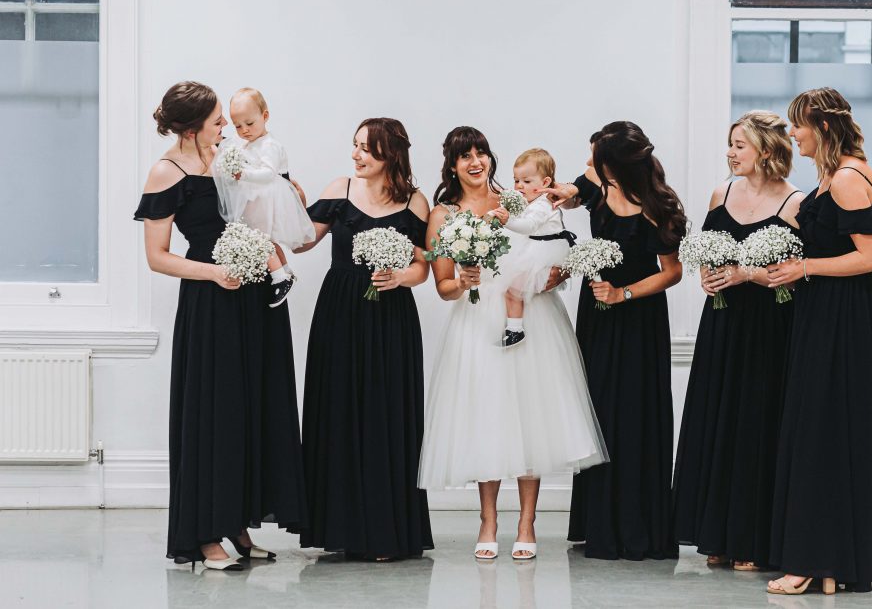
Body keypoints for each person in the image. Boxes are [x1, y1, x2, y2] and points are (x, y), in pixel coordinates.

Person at [134, 81, 306, 570]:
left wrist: (287, 195)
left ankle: (239, 524)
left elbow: (268, 213)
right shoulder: (164, 173)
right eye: (216, 121)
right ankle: (205, 534)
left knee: (255, 406)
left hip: (256, 295)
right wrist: (215, 273)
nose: (226, 127)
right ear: (191, 127)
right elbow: (157, 257)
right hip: (212, 302)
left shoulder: (233, 157)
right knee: (216, 412)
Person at [418, 126, 607, 561]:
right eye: (464, 155)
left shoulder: (516, 199)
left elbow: (550, 241)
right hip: (479, 319)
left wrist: (560, 273)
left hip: (533, 317)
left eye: (481, 151)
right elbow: (443, 286)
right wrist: (462, 282)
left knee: (530, 417)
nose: (475, 160)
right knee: (487, 417)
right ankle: (487, 520)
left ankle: (527, 522)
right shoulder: (443, 214)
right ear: (452, 164)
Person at [764, 87, 872, 595]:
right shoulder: (838, 172)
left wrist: (802, 266)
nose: (791, 133)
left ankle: (815, 559)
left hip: (841, 318)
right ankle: (830, 559)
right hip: (828, 313)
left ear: (819, 126)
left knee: (823, 431)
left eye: (796, 125)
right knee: (828, 431)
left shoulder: (845, 179)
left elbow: (871, 257)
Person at [292, 117, 433, 561]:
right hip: (340, 313)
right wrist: (291, 203)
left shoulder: (416, 201)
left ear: (390, 154)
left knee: (386, 415)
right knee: (338, 411)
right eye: (354, 145)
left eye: (366, 149)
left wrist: (399, 278)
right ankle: (339, 529)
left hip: (391, 317)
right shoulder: (339, 189)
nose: (355, 155)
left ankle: (386, 532)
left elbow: (423, 268)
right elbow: (300, 243)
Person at [543, 121, 686, 560]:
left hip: (638, 319)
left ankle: (638, 525)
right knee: (598, 410)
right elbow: (568, 191)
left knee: (635, 413)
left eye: (595, 157)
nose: (587, 163)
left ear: (617, 164)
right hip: (598, 318)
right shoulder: (596, 187)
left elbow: (672, 272)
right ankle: (598, 523)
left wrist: (623, 293)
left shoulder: (657, 206)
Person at [671, 111, 802, 571]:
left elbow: (799, 277)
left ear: (766, 151)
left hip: (769, 330)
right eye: (729, 144)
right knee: (719, 419)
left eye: (739, 145)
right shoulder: (721, 193)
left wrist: (749, 274)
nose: (730, 152)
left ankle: (752, 539)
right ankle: (718, 536)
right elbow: (708, 250)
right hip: (723, 324)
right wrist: (708, 276)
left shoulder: (795, 204)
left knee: (756, 425)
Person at [213, 87, 314, 306]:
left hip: (269, 197)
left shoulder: (271, 146)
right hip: (258, 198)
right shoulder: (247, 143)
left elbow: (268, 174)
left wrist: (243, 174)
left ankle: (279, 278)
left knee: (261, 240)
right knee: (267, 239)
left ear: (265, 116)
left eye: (249, 124)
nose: (244, 130)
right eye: (238, 126)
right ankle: (285, 272)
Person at [495, 148, 576, 348]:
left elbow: (528, 226)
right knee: (514, 287)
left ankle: (515, 330)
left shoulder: (544, 204)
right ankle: (515, 328)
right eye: (516, 180)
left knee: (513, 289)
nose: (519, 186)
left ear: (546, 183)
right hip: (542, 248)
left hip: (546, 252)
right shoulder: (534, 202)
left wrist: (507, 220)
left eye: (527, 181)